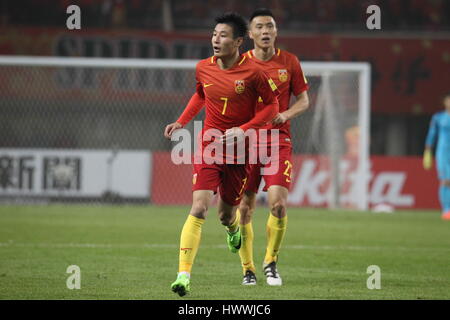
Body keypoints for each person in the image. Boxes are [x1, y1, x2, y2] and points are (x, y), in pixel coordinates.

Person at [164, 12, 280, 296]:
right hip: (209, 146)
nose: (216, 39)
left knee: (227, 216)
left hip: (240, 153)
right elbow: (201, 95)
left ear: (238, 41)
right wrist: (182, 121)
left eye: (223, 35)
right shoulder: (203, 67)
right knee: (199, 208)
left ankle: (232, 232)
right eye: (214, 34)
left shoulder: (254, 72)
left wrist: (246, 128)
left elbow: (272, 107)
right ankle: (183, 275)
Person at [237, 8, 309, 286]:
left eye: (270, 26)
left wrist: (286, 115)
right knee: (245, 208)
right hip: (245, 143)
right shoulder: (238, 63)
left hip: (278, 140)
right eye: (260, 27)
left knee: (278, 204)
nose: (266, 31)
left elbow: (303, 100)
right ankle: (248, 269)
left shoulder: (289, 62)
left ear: (276, 32)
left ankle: (271, 262)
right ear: (250, 34)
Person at [423, 92, 450, 220]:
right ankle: (446, 209)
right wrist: (428, 150)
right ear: (444, 103)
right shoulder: (438, 117)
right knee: (446, 180)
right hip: (443, 151)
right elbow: (432, 133)